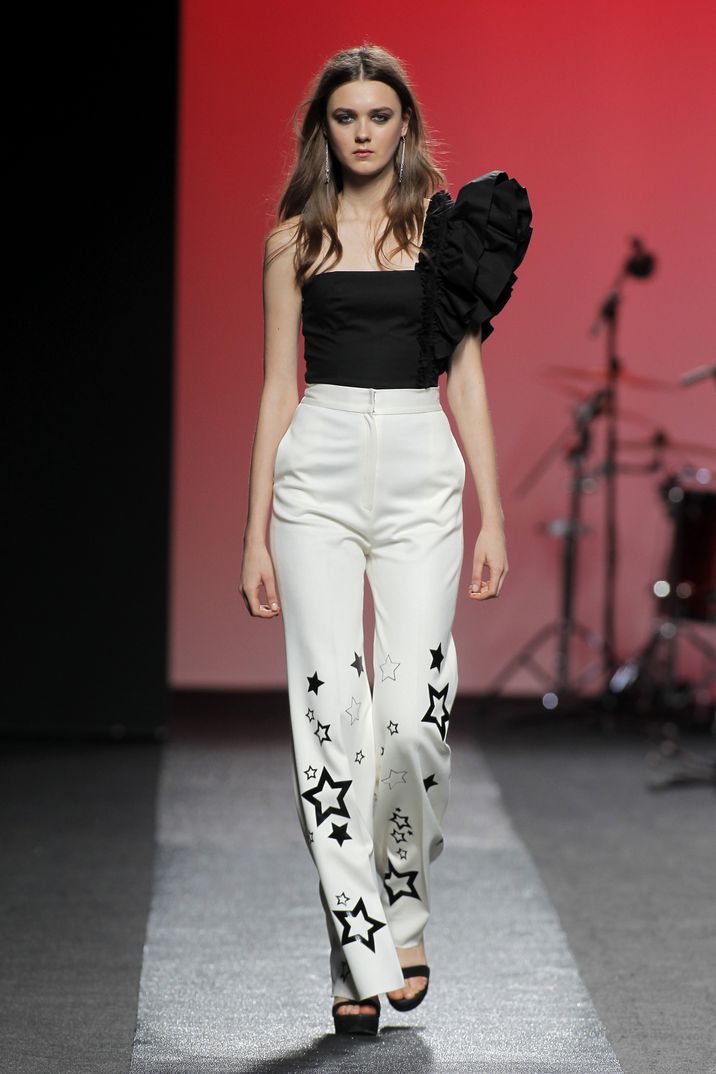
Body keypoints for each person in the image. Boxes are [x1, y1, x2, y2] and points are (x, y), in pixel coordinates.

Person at [239, 43, 533, 1036]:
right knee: (331, 720)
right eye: (344, 117)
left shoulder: (444, 234)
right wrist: (252, 535)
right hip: (315, 473)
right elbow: (276, 389)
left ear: (403, 124)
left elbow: (468, 382)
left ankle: (403, 907)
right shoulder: (293, 242)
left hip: (418, 469)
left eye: (378, 115)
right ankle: (357, 946)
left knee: (409, 717)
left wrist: (493, 514)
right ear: (322, 130)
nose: (362, 132)